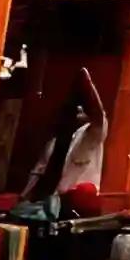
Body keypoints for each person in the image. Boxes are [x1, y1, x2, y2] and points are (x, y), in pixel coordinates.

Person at [24, 67, 107, 203]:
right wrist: (24, 199)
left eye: (82, 107)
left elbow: (97, 113)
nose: (79, 109)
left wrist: (86, 84)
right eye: (76, 107)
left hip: (78, 206)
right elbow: (37, 174)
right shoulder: (54, 143)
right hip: (50, 203)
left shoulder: (93, 134)